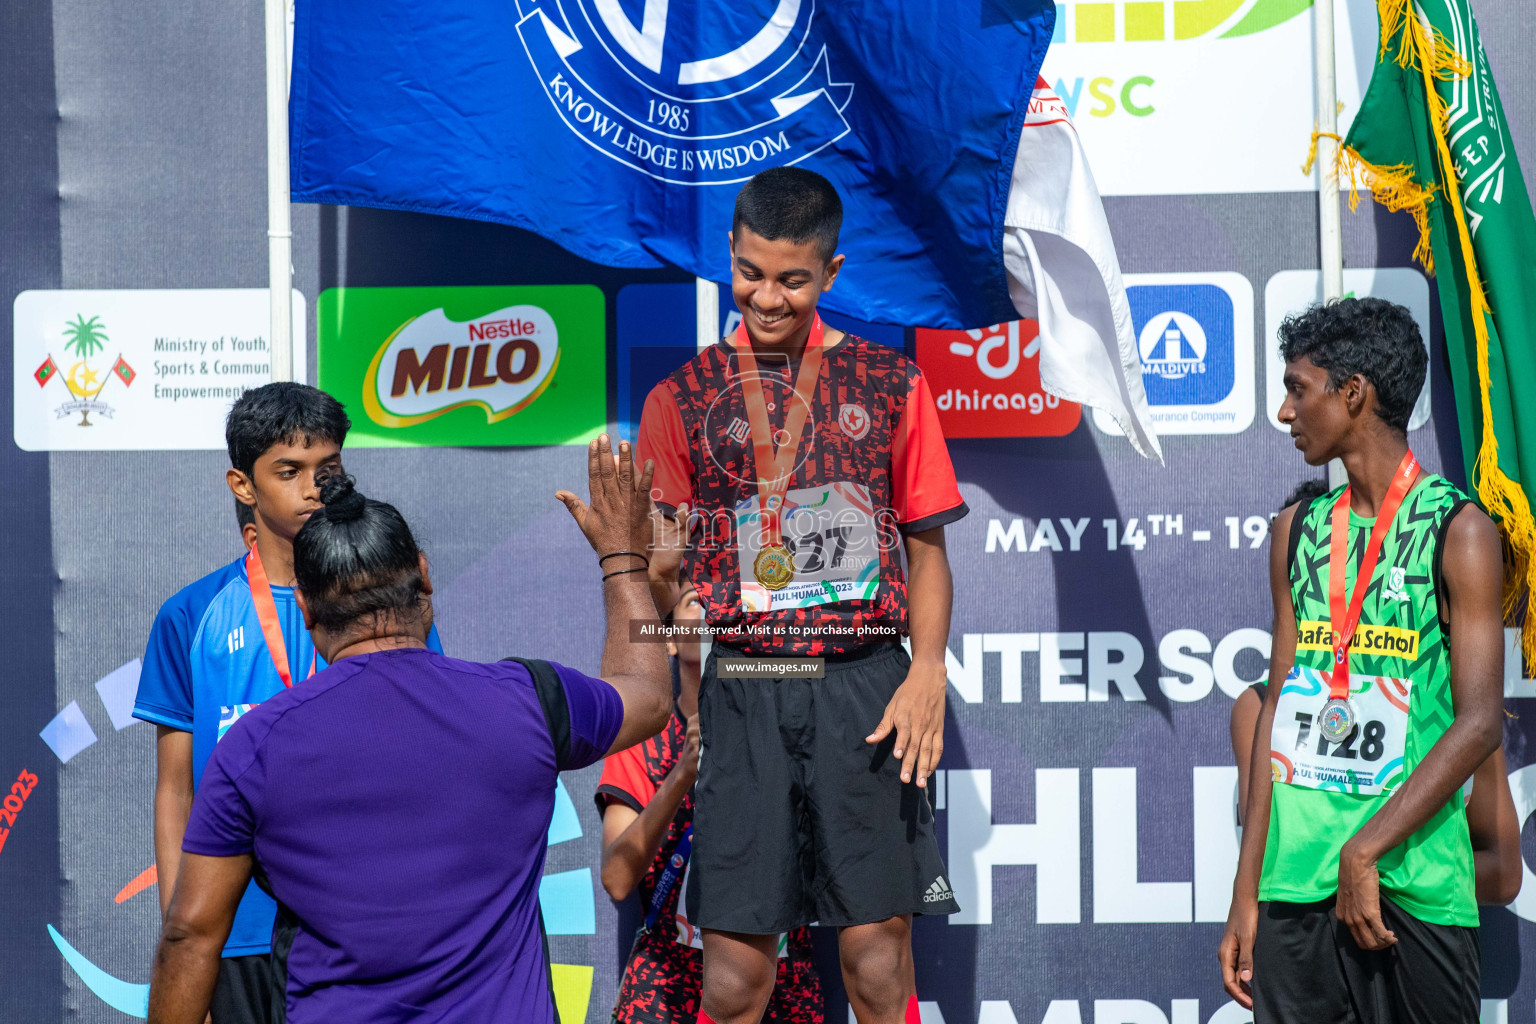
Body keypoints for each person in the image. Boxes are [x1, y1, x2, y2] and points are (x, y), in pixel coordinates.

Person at [145, 435, 673, 1024]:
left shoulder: (253, 747)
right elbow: (650, 696)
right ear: (423, 577)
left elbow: (190, 936)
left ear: (308, 612)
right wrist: (623, 561)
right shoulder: (526, 699)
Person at [637, 166, 967, 1024]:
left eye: (792, 278)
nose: (768, 296)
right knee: (736, 977)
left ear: (831, 272)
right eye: (749, 272)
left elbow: (926, 551)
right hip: (746, 686)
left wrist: (926, 669)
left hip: (864, 685)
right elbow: (667, 584)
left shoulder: (891, 386)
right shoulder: (681, 399)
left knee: (876, 958)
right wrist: (661, 573)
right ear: (730, 258)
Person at [1218, 298, 1507, 1023]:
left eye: (1298, 387)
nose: (1286, 412)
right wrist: (1245, 892)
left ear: (1353, 394)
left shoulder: (1459, 529)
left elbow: (1478, 724)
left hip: (1410, 881)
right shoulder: (1297, 528)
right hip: (1296, 886)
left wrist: (1365, 851)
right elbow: (1279, 714)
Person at [133, 383, 451, 1024]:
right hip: (236, 928)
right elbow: (176, 788)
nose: (314, 488)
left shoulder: (386, 605)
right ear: (242, 485)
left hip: (357, 925)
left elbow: (420, 754)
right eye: (290, 471)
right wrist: (186, 931)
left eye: (328, 470)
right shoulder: (190, 616)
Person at [1227, 476, 1521, 904]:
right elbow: (1275, 857)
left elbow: (1504, 872)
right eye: (1324, 565)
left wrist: (1375, 871)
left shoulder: (1451, 704)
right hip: (1308, 937)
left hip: (1415, 934)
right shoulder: (1257, 708)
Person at [598, 576, 824, 1024]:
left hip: (779, 977)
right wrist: (684, 772)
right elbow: (618, 879)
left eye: (724, 604)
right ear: (665, 640)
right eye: (694, 602)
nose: (710, 613)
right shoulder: (642, 743)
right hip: (667, 983)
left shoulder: (794, 728)